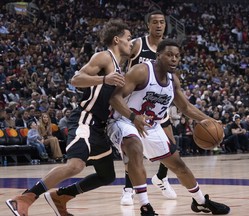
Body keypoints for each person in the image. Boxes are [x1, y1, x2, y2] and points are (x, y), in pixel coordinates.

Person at [6, 19, 134, 216]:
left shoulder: (119, 68)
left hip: (99, 127)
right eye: (128, 39)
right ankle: (25, 198)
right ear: (117, 40)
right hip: (85, 119)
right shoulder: (104, 57)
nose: (131, 43)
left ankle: (61, 196)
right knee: (76, 165)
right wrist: (104, 79)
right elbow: (76, 80)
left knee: (107, 176)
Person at [108, 39, 230, 215]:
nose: (174, 59)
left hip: (151, 126)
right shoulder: (141, 71)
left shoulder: (173, 81)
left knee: (178, 165)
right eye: (169, 55)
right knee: (134, 147)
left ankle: (201, 201)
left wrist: (209, 121)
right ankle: (145, 206)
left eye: (177, 56)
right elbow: (115, 98)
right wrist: (134, 118)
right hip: (124, 120)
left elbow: (186, 107)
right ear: (158, 56)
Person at [120, 10, 177, 206]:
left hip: (156, 104)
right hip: (135, 104)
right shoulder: (137, 44)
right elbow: (119, 62)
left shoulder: (167, 48)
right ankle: (128, 189)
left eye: (162, 22)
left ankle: (161, 177)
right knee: (133, 151)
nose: (159, 25)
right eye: (155, 22)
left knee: (171, 146)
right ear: (148, 25)